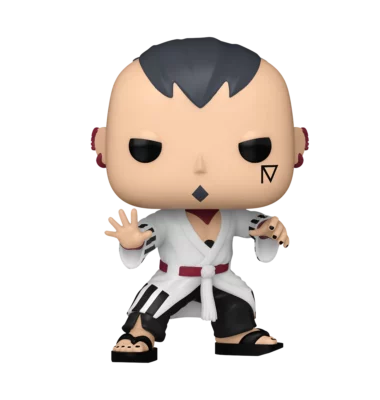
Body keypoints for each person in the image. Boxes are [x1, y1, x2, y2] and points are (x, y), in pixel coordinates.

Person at [91, 37, 309, 362]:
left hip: (221, 278)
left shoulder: (233, 212)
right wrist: (133, 243)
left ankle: (236, 333)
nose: (200, 167)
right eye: (146, 149)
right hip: (174, 277)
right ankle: (140, 333)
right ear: (102, 146)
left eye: (255, 149)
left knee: (238, 306)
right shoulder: (164, 216)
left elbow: (252, 226)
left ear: (297, 145)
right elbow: (149, 236)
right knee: (148, 309)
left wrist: (267, 230)